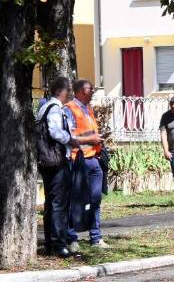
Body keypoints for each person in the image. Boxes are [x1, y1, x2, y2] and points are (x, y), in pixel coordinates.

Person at [63, 79, 109, 250]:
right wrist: (91, 139)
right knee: (75, 200)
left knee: (96, 199)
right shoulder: (69, 109)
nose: (93, 92)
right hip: (78, 161)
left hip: (94, 160)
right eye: (91, 89)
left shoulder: (88, 109)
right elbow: (70, 137)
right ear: (81, 91)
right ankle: (71, 237)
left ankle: (96, 237)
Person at [38, 77, 77, 258]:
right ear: (61, 91)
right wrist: (71, 139)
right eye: (69, 89)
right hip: (56, 161)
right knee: (58, 204)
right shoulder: (54, 109)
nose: (71, 93)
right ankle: (58, 244)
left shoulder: (45, 107)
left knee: (51, 203)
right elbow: (55, 132)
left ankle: (50, 242)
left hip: (49, 161)